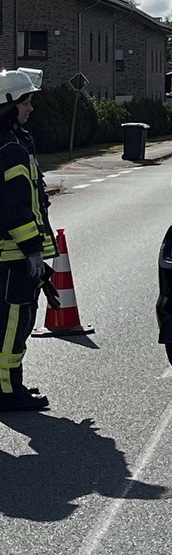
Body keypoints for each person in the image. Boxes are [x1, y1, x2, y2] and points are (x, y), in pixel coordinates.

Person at [0, 67, 60, 412]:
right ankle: (8, 390)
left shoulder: (12, 142)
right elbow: (16, 207)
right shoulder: (10, 148)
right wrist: (33, 253)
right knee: (13, 324)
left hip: (10, 255)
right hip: (12, 257)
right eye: (27, 102)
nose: (31, 109)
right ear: (11, 105)